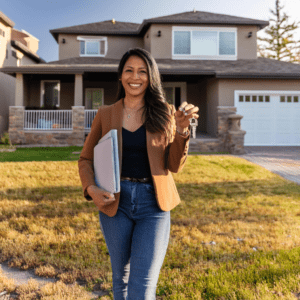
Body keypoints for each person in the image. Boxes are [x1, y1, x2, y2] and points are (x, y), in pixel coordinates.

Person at [78, 48, 199, 300]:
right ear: (121, 76)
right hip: (115, 202)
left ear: (151, 77)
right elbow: (86, 158)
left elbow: (174, 165)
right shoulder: (105, 114)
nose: (136, 76)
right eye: (129, 70)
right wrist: (92, 189)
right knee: (120, 279)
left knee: (142, 286)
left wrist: (182, 131)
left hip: (153, 205)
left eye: (142, 71)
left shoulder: (166, 112)